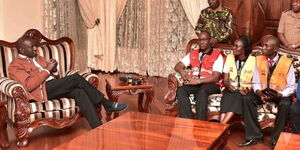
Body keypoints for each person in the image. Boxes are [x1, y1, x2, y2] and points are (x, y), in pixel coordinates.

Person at [8, 36, 128, 129]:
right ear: (22, 49)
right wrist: (47, 70)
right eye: (31, 47)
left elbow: (55, 76)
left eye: (35, 46)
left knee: (79, 92)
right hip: (41, 91)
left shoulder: (37, 57)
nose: (35, 49)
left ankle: (98, 127)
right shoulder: (15, 66)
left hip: (53, 86)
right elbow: (29, 85)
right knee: (75, 78)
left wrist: (54, 70)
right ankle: (107, 103)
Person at [239, 36, 295, 149]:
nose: (263, 48)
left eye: (266, 46)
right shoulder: (259, 59)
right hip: (262, 93)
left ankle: (276, 139)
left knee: (285, 104)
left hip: (280, 95)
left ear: (275, 49)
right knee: (247, 98)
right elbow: (255, 80)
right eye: (263, 45)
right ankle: (254, 136)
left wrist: (281, 94)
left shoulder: (287, 62)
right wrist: (258, 91)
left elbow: (292, 85)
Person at [175, 31, 224, 120]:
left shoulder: (217, 55)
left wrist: (198, 81)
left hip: (211, 84)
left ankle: (200, 122)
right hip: (195, 83)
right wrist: (183, 73)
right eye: (200, 40)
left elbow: (216, 77)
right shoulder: (193, 53)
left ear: (210, 40)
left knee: (202, 91)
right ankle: (188, 120)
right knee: (181, 90)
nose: (202, 42)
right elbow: (178, 66)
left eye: (204, 40)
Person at [220, 36, 254, 124]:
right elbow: (226, 79)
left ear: (244, 49)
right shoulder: (229, 58)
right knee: (226, 96)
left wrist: (249, 89)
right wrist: (228, 85)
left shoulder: (254, 61)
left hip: (244, 91)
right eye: (233, 45)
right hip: (231, 89)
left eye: (237, 46)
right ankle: (222, 126)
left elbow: (256, 81)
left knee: (238, 97)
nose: (233, 48)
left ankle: (221, 126)